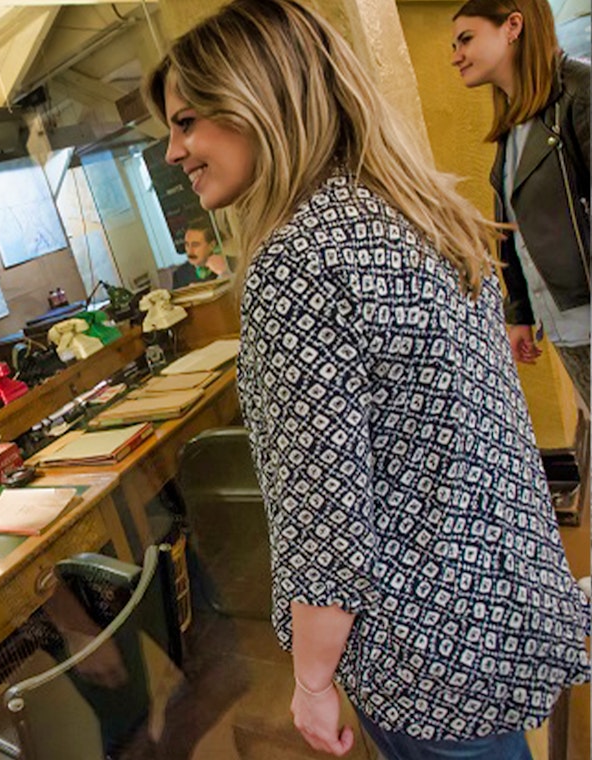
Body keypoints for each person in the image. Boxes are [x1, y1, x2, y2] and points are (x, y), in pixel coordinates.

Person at [143, 1, 589, 758]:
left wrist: (312, 680)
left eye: (188, 122)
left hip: (427, 648)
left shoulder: (296, 260)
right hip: (503, 596)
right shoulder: (408, 206)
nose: (173, 150)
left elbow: (327, 515)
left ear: (259, 102)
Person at [451, 0, 590, 413]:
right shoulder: (515, 123)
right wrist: (520, 312)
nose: (455, 55)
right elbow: (515, 227)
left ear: (512, 26)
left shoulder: (581, 96)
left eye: (466, 39)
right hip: (565, 322)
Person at [172, 218, 230, 288]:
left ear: (212, 245)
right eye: (187, 245)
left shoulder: (231, 264)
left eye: (195, 245)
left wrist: (224, 272)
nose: (190, 251)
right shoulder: (180, 275)